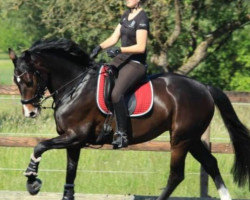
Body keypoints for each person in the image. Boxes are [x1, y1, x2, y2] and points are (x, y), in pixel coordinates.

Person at [90, 0, 149, 148]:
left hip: (135, 63)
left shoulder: (142, 18)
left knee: (116, 94)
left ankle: (122, 134)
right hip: (121, 60)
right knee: (99, 80)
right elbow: (114, 38)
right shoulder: (126, 15)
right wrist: (99, 47)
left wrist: (120, 50)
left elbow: (141, 47)